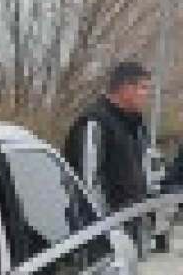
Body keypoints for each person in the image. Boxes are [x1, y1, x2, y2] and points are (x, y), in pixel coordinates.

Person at [65, 62, 152, 219]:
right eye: (143, 88)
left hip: (133, 224)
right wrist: (106, 228)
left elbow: (141, 176)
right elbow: (88, 182)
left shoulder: (137, 126)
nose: (146, 94)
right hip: (103, 228)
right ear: (126, 87)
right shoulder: (95, 122)